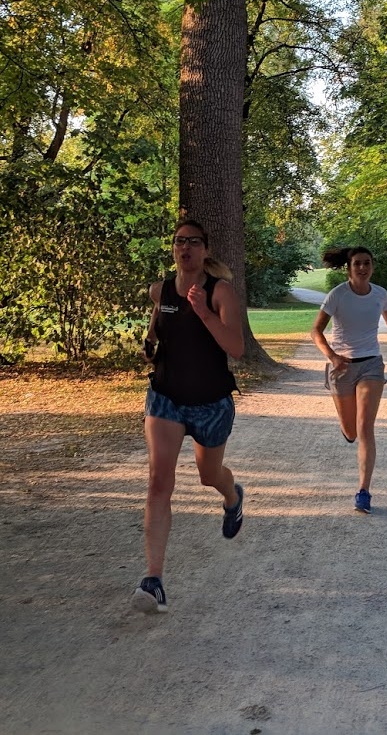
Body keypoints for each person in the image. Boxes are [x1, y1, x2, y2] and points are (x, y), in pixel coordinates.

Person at [132, 220, 245, 614]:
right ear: (173, 249)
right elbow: (156, 330)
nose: (186, 249)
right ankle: (154, 579)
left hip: (211, 402)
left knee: (208, 475)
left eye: (194, 242)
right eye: (180, 242)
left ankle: (232, 497)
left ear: (205, 251)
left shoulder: (219, 292)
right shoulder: (159, 290)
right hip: (166, 398)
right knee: (159, 480)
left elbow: (237, 347)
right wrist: (149, 347)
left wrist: (204, 313)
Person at [311, 246, 387, 514]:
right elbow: (316, 331)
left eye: (367, 263)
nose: (362, 268)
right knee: (352, 431)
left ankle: (363, 491)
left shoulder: (379, 294)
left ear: (372, 266)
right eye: (357, 264)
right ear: (349, 267)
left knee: (365, 427)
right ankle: (347, 430)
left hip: (371, 364)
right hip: (342, 367)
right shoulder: (338, 295)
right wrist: (332, 357)